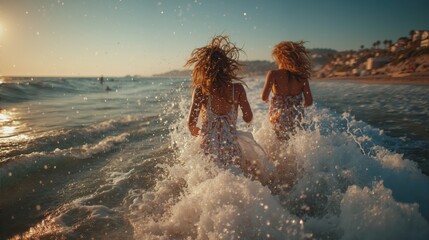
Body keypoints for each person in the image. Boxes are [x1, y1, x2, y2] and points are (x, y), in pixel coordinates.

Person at [186, 35, 254, 169]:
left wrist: (196, 130)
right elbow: (248, 117)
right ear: (227, 67)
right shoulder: (237, 89)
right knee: (238, 176)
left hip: (208, 146)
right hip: (231, 146)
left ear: (203, 69)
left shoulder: (201, 91)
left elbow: (191, 124)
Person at [261, 41, 313, 140]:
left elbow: (264, 97)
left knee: (279, 143)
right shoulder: (302, 77)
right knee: (294, 141)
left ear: (279, 58)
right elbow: (309, 102)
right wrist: (296, 105)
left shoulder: (273, 74)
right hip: (296, 116)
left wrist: (267, 97)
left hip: (278, 116)